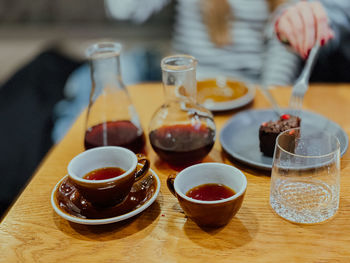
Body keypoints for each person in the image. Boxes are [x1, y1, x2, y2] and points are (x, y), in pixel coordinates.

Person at [52, 0, 350, 142]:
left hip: (251, 90)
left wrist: (272, 111)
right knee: (92, 79)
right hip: (186, 88)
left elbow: (283, 50)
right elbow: (122, 9)